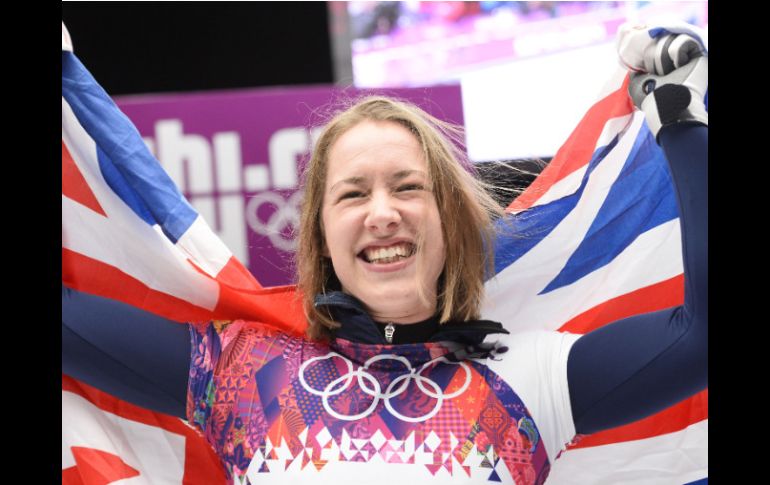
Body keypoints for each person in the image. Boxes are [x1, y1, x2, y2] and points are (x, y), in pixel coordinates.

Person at [62, 25, 707, 484]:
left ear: (450, 221)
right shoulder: (238, 370)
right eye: (352, 195)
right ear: (321, 241)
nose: (382, 212)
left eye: (407, 187)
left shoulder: (536, 375)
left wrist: (680, 120)